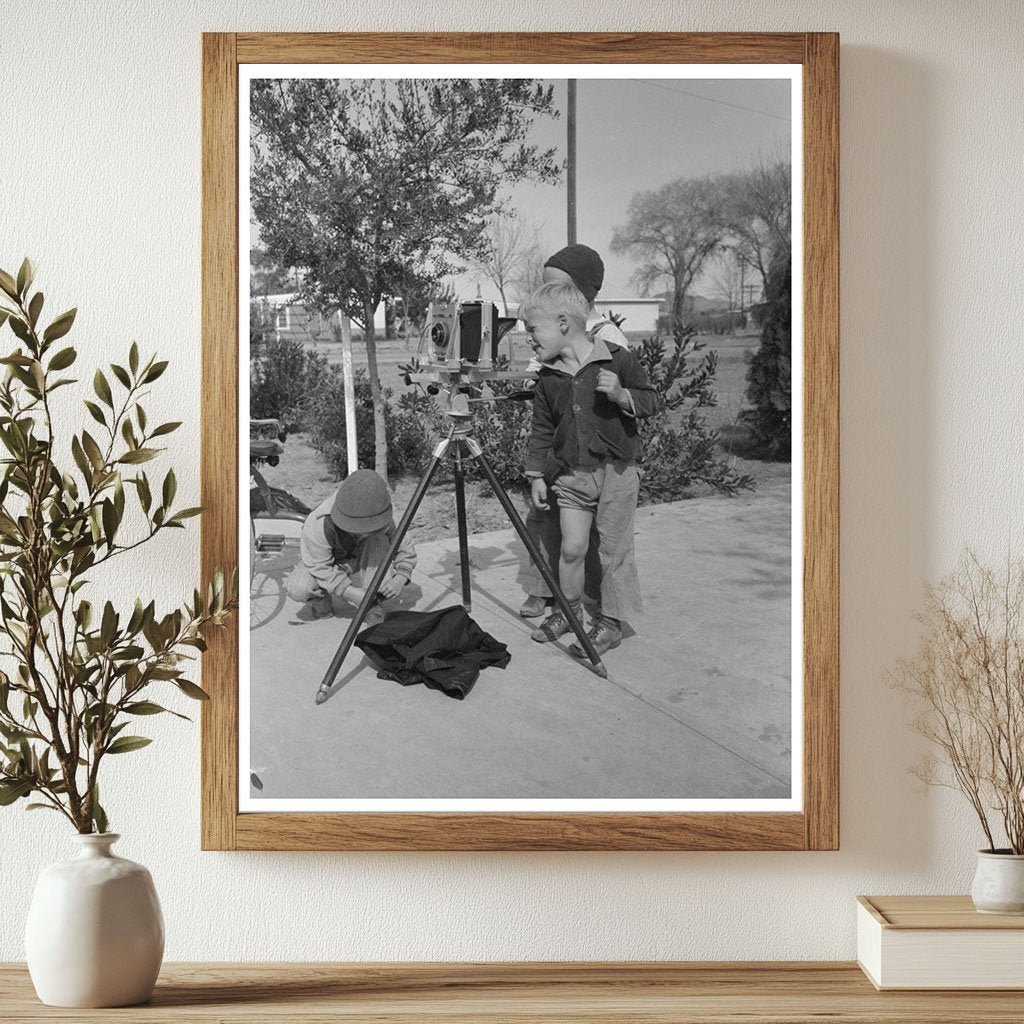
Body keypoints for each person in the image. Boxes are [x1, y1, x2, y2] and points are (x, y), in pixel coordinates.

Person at [520, 281, 658, 657]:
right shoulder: (548, 377)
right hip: (572, 477)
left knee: (613, 552)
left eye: (533, 329)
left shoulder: (616, 359)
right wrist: (536, 475)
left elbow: (651, 400)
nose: (528, 338)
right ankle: (570, 612)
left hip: (618, 473)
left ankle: (610, 624)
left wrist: (622, 395)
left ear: (563, 323)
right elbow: (542, 430)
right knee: (572, 548)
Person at [519, 243, 632, 623]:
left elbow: (619, 391)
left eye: (556, 287)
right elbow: (539, 377)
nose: (546, 294)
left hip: (593, 456)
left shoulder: (607, 337)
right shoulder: (550, 332)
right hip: (560, 446)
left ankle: (593, 603)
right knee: (545, 521)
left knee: (590, 537)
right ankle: (546, 590)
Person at [284, 469, 416, 627]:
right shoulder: (319, 522)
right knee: (299, 588)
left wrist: (401, 577)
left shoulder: (378, 509)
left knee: (380, 542)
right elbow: (320, 565)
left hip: (364, 557)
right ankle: (323, 604)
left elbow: (404, 546)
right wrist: (350, 592)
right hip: (334, 563)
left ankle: (372, 604)